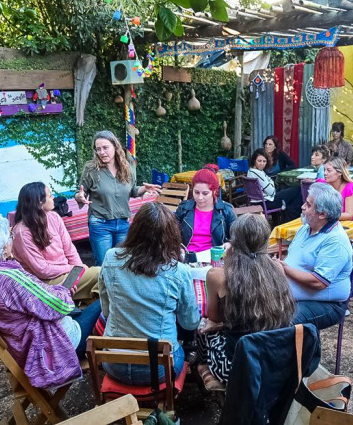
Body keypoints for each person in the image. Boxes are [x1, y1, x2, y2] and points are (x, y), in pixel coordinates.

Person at [0, 214, 101, 389]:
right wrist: (64, 292)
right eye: (9, 237)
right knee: (105, 302)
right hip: (54, 347)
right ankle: (119, 369)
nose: (12, 240)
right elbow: (58, 305)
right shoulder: (8, 278)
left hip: (26, 348)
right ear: (4, 248)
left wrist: (59, 291)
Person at [99, 202, 200, 386]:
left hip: (114, 362)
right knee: (182, 349)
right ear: (171, 236)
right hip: (157, 368)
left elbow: (106, 311)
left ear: (134, 229)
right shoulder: (179, 271)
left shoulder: (110, 257)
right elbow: (190, 322)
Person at [198, 213, 295, 383]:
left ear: (234, 241)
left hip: (236, 367)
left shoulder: (218, 275)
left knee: (202, 326)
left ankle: (200, 364)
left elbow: (214, 318)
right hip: (273, 360)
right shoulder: (277, 269)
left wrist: (218, 324)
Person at [74, 130, 161, 266]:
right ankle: (103, 288)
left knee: (122, 263)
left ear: (115, 146)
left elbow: (131, 190)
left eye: (105, 148)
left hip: (123, 224)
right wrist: (79, 196)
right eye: (98, 149)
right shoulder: (91, 169)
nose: (102, 152)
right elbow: (80, 192)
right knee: (104, 264)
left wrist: (144, 189)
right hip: (100, 224)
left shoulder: (126, 167)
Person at [279, 183, 353, 330]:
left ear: (322, 214)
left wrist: (284, 269)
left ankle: (299, 352)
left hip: (327, 305)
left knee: (281, 322)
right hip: (295, 295)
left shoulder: (335, 240)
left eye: (308, 204)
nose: (303, 207)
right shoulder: (307, 228)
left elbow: (319, 282)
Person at [12, 182, 99, 301]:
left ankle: (85, 310)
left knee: (99, 283)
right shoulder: (21, 232)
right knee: (100, 274)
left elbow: (69, 249)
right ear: (39, 202)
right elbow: (42, 270)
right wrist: (73, 268)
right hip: (44, 283)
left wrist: (80, 269)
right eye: (49, 195)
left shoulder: (54, 217)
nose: (53, 198)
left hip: (66, 273)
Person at [175, 166, 236, 252]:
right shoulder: (183, 209)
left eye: (205, 193)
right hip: (187, 257)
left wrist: (231, 243)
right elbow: (171, 234)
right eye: (196, 192)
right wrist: (177, 247)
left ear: (214, 191)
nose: (200, 197)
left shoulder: (226, 210)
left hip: (215, 258)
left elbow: (238, 237)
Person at [247, 148, 303, 222]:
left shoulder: (251, 171)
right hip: (267, 202)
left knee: (291, 192)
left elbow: (269, 182)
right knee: (298, 190)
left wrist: (270, 182)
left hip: (259, 200)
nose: (262, 164)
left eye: (264, 161)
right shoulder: (258, 173)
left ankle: (286, 220)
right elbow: (271, 191)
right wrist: (270, 182)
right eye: (259, 161)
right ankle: (289, 221)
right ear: (254, 160)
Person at [323, 157, 353, 221]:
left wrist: (325, 216)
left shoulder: (350, 188)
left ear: (340, 172)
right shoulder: (323, 186)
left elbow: (349, 215)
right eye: (324, 170)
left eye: (329, 170)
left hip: (346, 225)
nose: (325, 173)